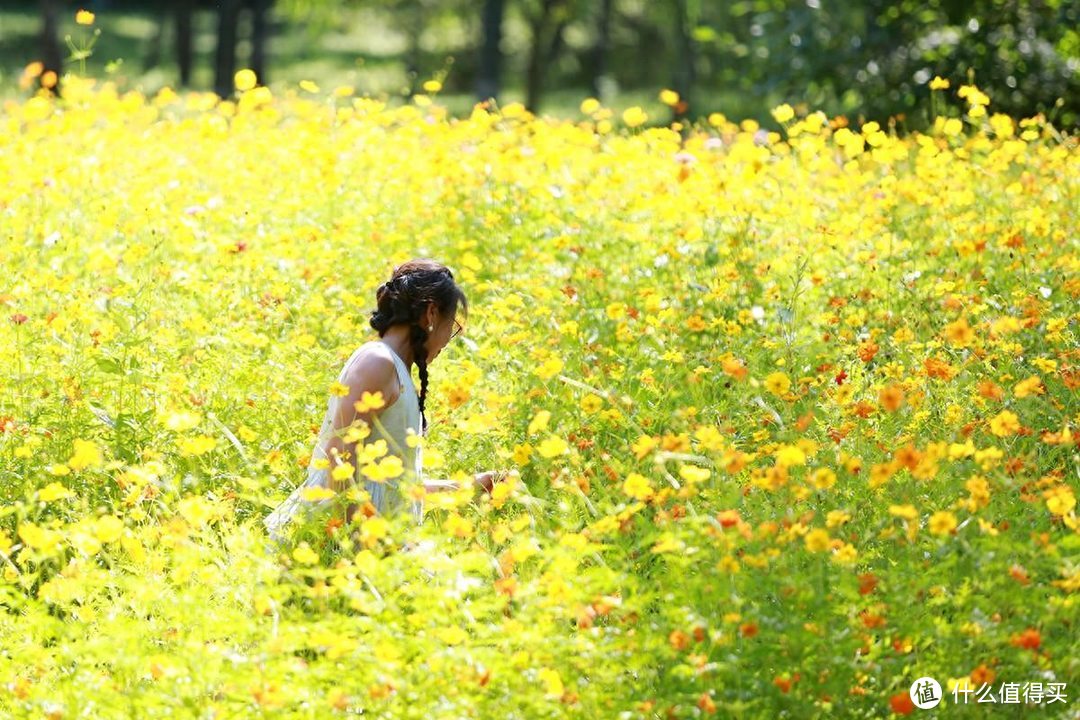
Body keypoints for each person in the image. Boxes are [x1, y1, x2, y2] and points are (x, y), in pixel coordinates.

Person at [263, 258, 508, 552]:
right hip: (335, 546)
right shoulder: (378, 362)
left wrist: (467, 487)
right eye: (451, 325)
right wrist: (379, 545)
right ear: (431, 313)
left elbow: (391, 487)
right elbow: (339, 463)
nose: (448, 339)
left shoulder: (395, 371)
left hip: (369, 546)